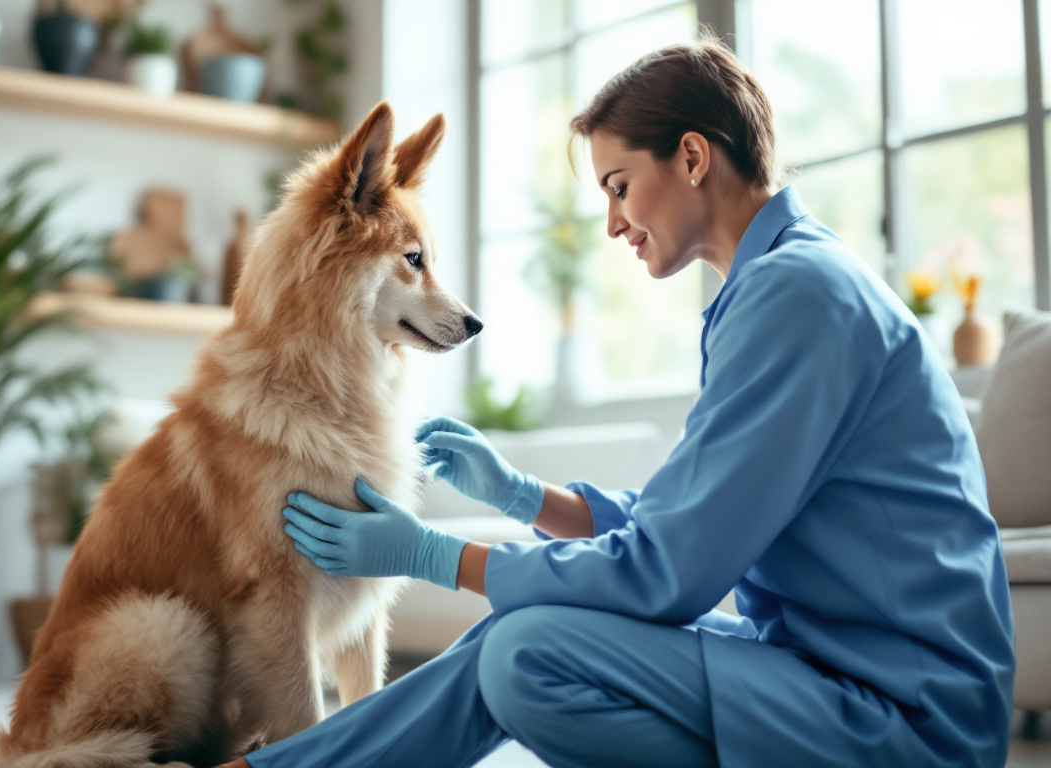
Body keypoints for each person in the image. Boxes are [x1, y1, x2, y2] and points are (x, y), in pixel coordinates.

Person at [219, 39, 1015, 768]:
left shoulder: (798, 296)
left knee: (528, 654)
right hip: (824, 670)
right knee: (517, 645)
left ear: (694, 157)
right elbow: (684, 519)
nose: (612, 223)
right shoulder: (780, 283)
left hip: (905, 716)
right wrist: (525, 496)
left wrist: (432, 556)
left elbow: (669, 572)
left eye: (620, 186)